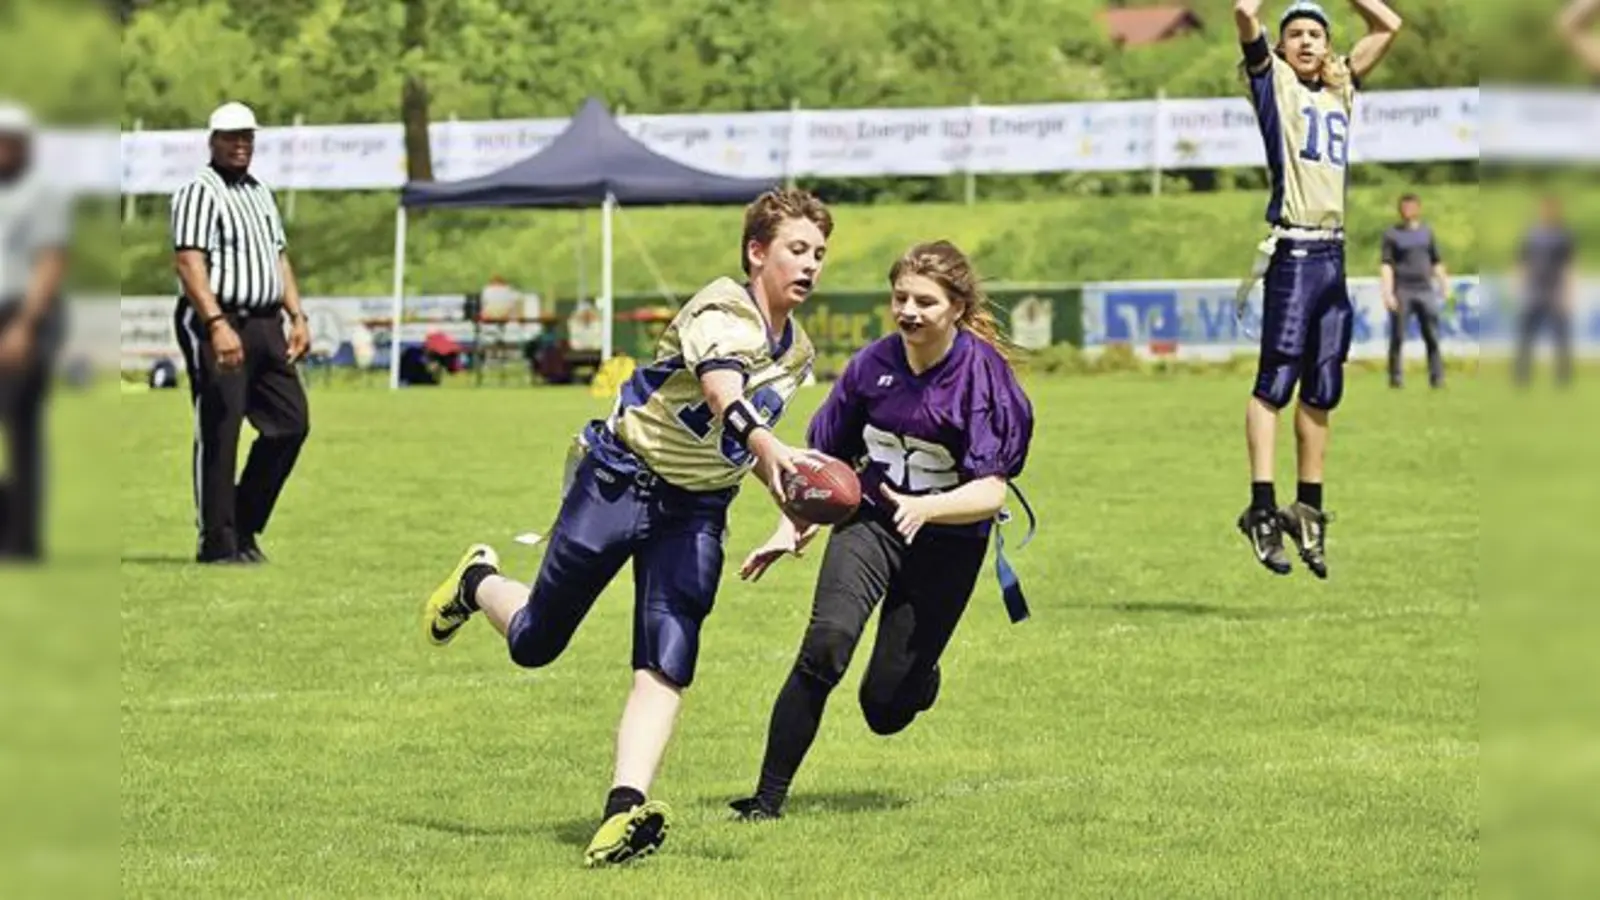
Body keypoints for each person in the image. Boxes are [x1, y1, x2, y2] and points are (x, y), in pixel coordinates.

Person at [420, 188, 833, 867]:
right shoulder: (720, 308)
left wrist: (787, 501)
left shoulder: (800, 351)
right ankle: (477, 582)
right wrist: (770, 450)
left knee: (668, 655)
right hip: (620, 479)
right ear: (757, 252)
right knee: (536, 641)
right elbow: (722, 393)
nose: (811, 264)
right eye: (797, 249)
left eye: (819, 252)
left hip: (697, 509)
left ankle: (622, 812)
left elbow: (741, 440)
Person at [726, 240, 1034, 822]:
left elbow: (992, 491)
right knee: (825, 646)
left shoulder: (982, 377)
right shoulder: (872, 366)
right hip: (871, 523)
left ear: (957, 308)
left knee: (884, 708)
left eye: (925, 301)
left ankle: (919, 678)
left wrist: (928, 508)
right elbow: (826, 465)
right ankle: (765, 801)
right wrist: (791, 525)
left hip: (948, 543)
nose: (908, 311)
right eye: (900, 298)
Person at [1232, 0, 1402, 579]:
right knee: (1275, 380)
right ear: (1280, 47)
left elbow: (1390, 25)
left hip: (1334, 256)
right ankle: (1261, 505)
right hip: (1296, 249)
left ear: (1329, 45)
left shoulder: (1340, 88)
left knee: (1323, 387)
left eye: (1316, 34)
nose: (1306, 41)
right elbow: (1243, 13)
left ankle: (1307, 506)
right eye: (1295, 34)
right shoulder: (1274, 84)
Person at [169, 101, 312, 564]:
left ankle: (244, 522)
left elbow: (278, 257)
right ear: (212, 141)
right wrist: (215, 324)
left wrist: (298, 316)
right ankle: (217, 541)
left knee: (290, 423)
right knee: (221, 425)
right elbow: (189, 262)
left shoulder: (260, 192)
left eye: (247, 136)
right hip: (220, 318)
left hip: (267, 321)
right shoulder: (198, 191)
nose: (241, 144)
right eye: (231, 136)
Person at [0, 102, 69, 562]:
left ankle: (22, 539)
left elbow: (50, 262)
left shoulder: (41, 194)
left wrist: (24, 326)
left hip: (23, 316)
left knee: (21, 426)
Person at [1381, 193, 1449, 390]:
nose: (1407, 211)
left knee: (1432, 336)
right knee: (1398, 336)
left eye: (1411, 207)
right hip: (1403, 290)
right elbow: (1386, 265)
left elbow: (1436, 260)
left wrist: (1444, 283)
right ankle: (1395, 379)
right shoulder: (1392, 234)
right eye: (1404, 207)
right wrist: (1388, 292)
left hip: (1425, 290)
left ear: (1418, 208)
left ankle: (1437, 378)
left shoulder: (1427, 232)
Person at [1514, 195, 1577, 387]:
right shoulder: (1531, 234)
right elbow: (1522, 261)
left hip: (1555, 292)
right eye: (1545, 208)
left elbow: (1570, 265)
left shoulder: (1563, 235)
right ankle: (1521, 377)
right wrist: (1518, 284)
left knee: (1561, 338)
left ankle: (1563, 378)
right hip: (1534, 292)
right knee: (1526, 336)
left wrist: (1569, 292)